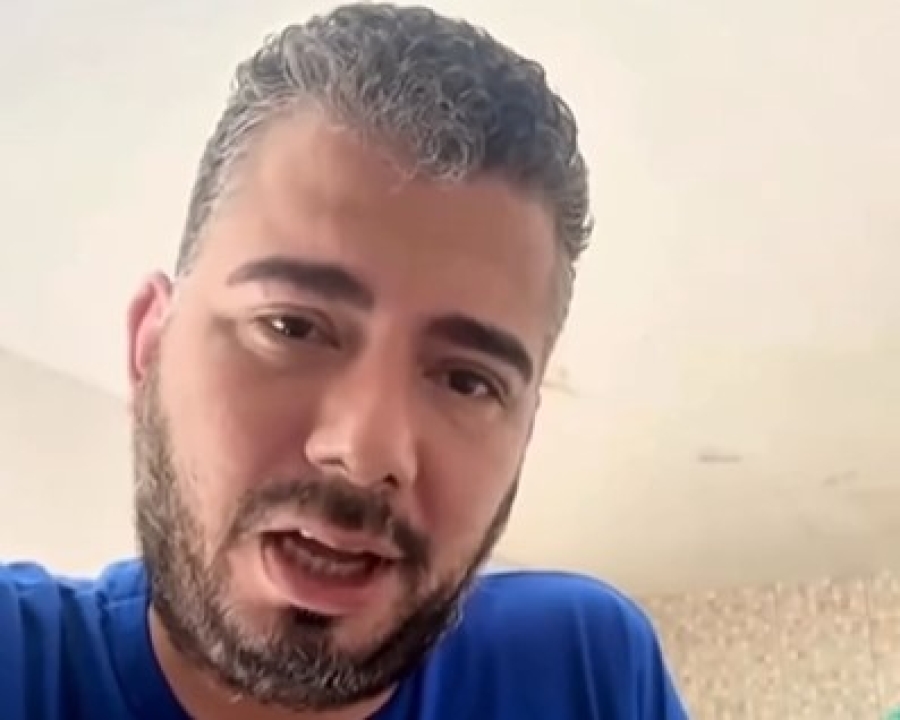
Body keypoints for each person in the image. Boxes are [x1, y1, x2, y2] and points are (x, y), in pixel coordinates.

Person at [0, 4, 688, 719]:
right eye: (292, 327)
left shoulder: (582, 674)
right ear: (150, 349)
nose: (365, 453)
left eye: (467, 381)